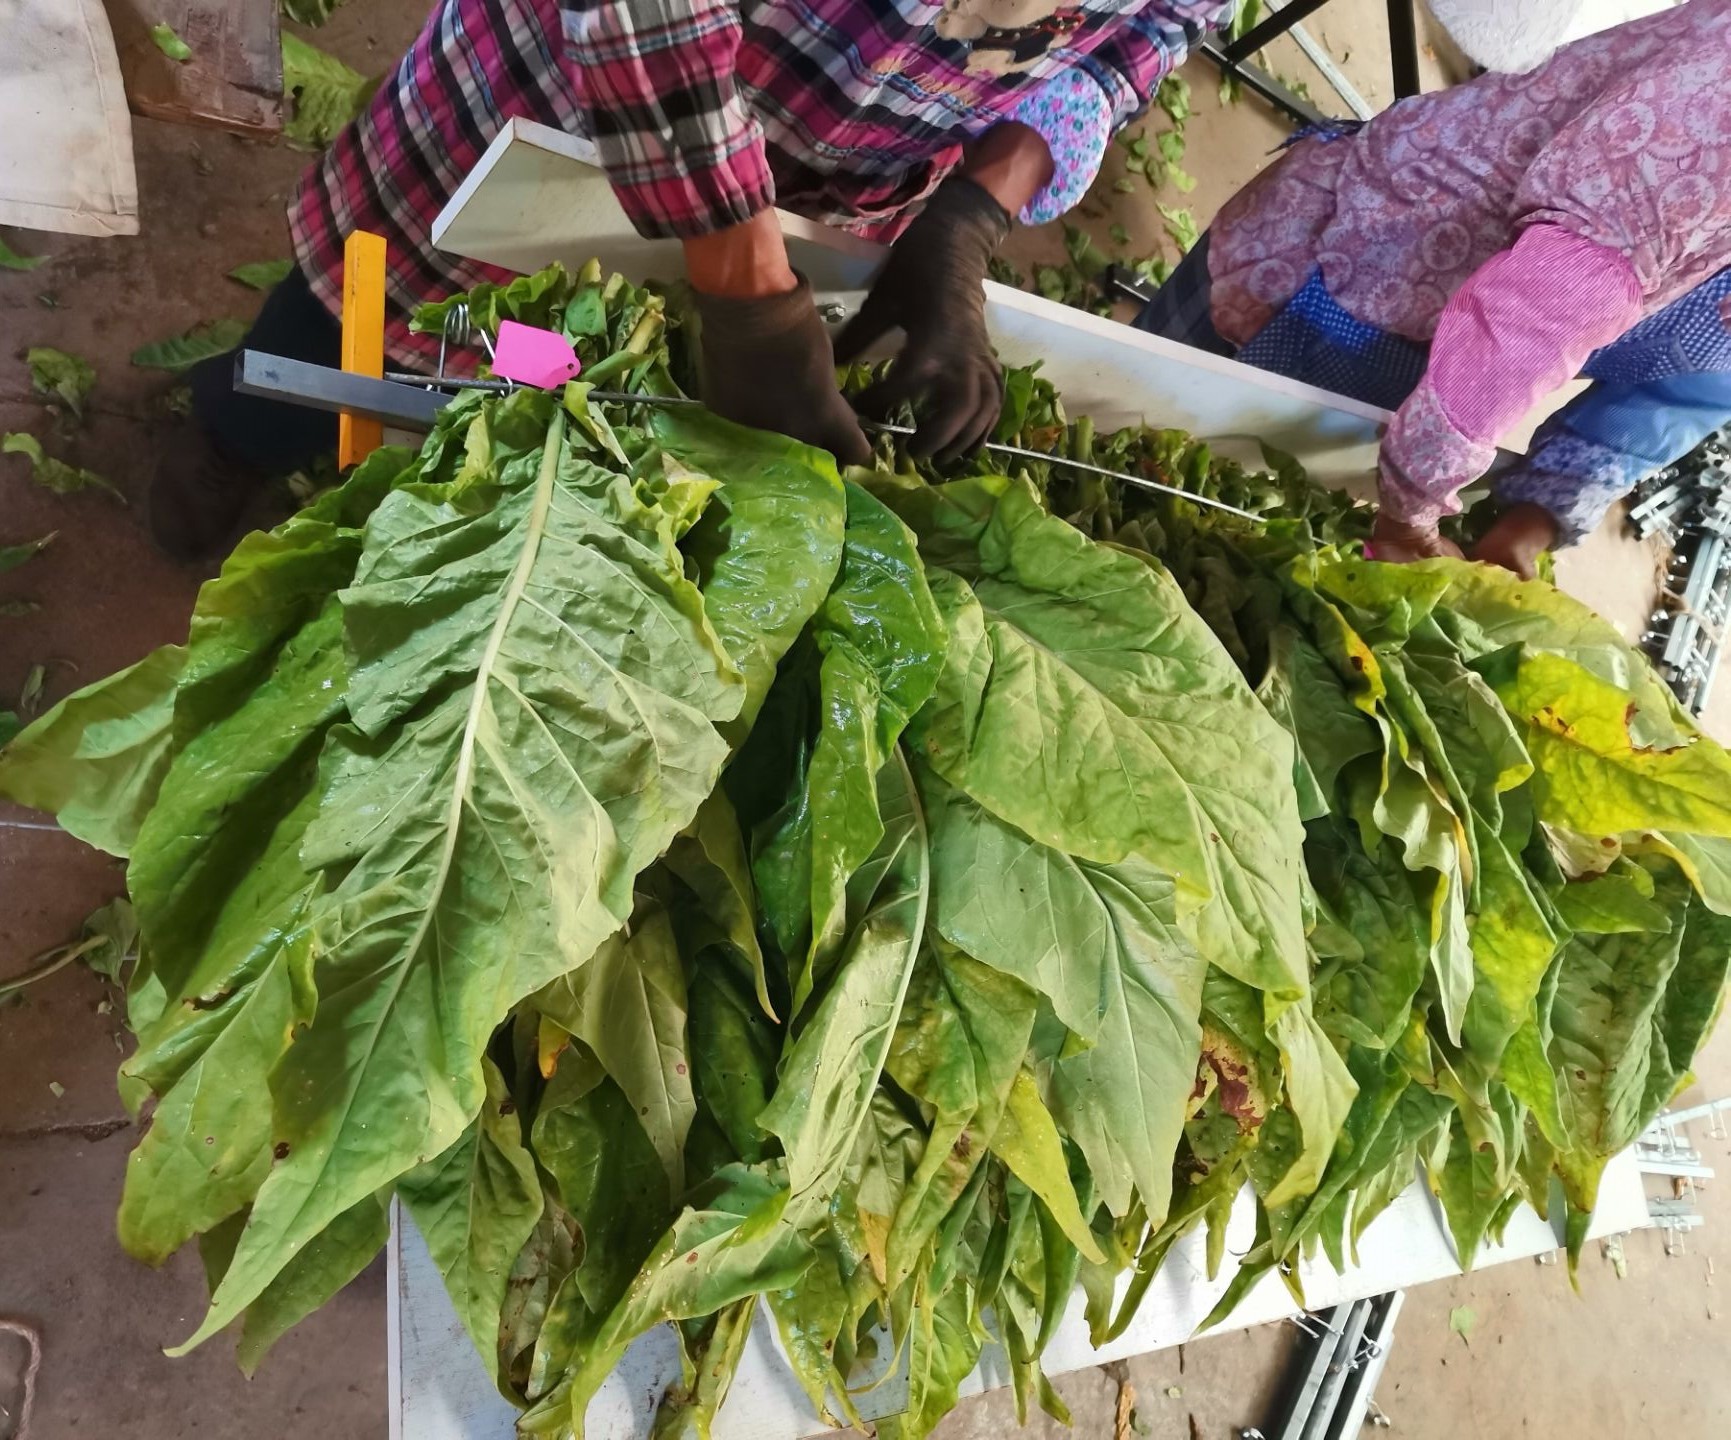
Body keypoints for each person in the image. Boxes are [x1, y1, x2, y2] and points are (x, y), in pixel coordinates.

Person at [154, 0, 1236, 558]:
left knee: (563, 360)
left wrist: (974, 210)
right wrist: (748, 293)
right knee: (371, 308)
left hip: (843, 190)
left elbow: (1155, 27)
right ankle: (235, 436)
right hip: (574, 105)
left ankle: (414, 431)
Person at [1137, 0, 1731, 577]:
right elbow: (1555, 292)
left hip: (1437, 377)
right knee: (1143, 429)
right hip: (1356, 265)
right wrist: (1413, 505)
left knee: (1225, 507)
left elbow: (1687, 394)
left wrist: (1539, 515)